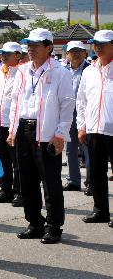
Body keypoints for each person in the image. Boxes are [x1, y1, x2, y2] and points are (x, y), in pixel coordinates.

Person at [7, 28, 74, 244]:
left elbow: (67, 105)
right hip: (23, 130)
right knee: (26, 180)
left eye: (36, 45)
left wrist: (60, 134)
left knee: (51, 182)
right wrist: (11, 129)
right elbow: (15, 102)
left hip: (46, 132)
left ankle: (54, 226)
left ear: (48, 47)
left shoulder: (59, 71)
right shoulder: (23, 70)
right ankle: (34, 222)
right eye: (29, 44)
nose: (31, 49)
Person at [76, 30, 113, 226]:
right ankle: (100, 211)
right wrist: (81, 126)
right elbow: (81, 101)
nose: (98, 47)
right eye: (95, 43)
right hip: (94, 130)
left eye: (102, 43)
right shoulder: (89, 71)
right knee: (97, 173)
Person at [0, 42, 23, 205]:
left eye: (8, 53)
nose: (4, 55)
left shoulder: (23, 73)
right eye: (2, 53)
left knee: (17, 160)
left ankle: (20, 192)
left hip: (14, 124)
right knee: (0, 158)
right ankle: (5, 190)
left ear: (18, 55)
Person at [63, 41, 91, 193]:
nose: (76, 53)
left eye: (79, 50)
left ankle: (91, 183)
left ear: (85, 53)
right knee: (70, 149)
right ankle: (74, 180)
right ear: (67, 54)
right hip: (67, 113)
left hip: (85, 113)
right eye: (72, 51)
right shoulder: (63, 70)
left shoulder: (90, 69)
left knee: (87, 149)